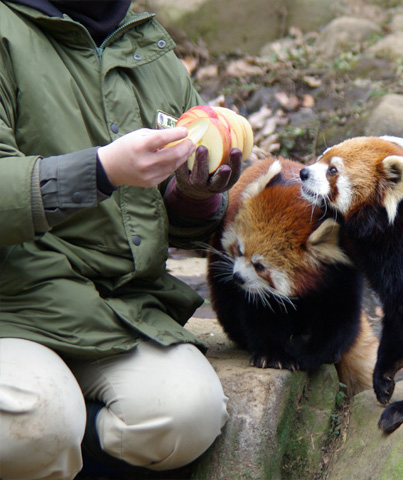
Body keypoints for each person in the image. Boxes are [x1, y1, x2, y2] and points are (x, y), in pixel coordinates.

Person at [0, 1, 240, 478]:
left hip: (118, 307)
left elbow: (169, 220)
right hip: (12, 304)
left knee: (186, 416)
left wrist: (193, 196)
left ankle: (71, 449)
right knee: (39, 422)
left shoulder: (146, 41)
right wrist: (101, 171)